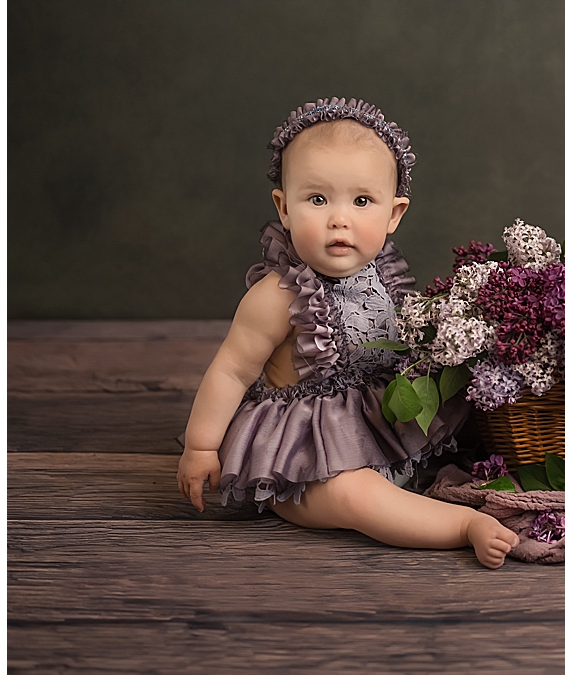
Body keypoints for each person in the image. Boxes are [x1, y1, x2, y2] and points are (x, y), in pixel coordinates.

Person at [176, 98, 519, 568]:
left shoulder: (385, 276)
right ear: (285, 207)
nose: (340, 218)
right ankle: (460, 526)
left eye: (362, 201)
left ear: (394, 214)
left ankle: (425, 486)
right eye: (318, 199)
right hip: (300, 457)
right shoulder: (276, 295)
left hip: (376, 426)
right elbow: (231, 371)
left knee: (469, 421)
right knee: (353, 495)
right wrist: (201, 447)